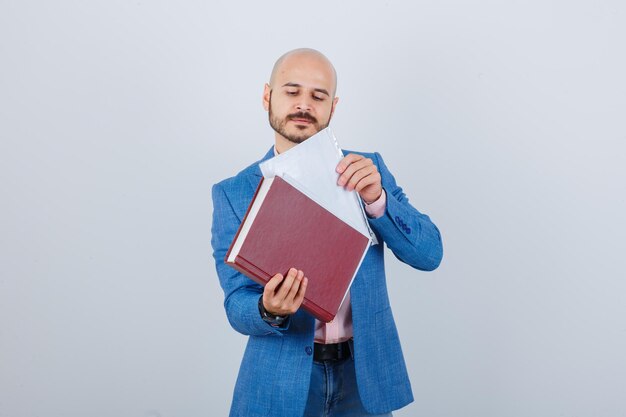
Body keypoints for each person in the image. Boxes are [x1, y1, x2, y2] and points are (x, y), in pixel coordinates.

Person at [211, 48, 443, 417]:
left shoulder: (366, 170)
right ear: (267, 96)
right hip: (278, 383)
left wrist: (378, 201)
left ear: (332, 107)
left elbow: (430, 254)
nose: (304, 104)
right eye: (292, 91)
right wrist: (267, 309)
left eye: (318, 96)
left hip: (362, 379)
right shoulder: (234, 192)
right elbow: (236, 304)